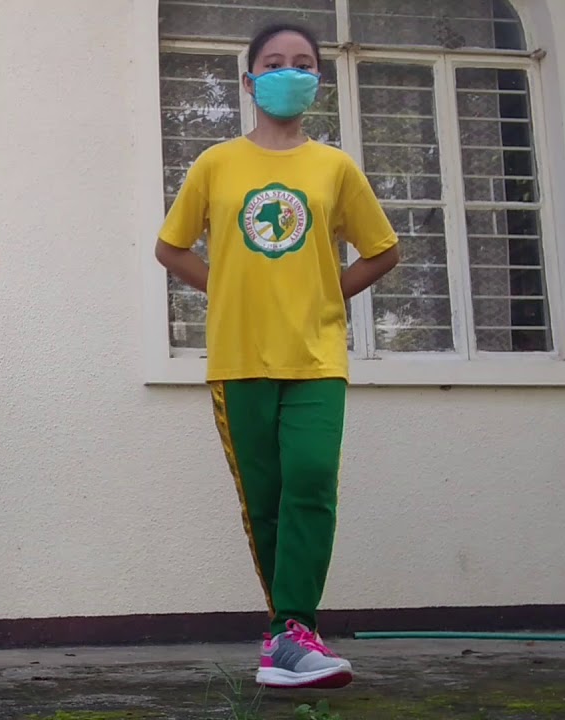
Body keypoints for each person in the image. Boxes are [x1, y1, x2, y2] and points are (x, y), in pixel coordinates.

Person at [154, 23, 400, 690]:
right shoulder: (216, 164)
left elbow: (383, 249)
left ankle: (293, 628)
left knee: (312, 481)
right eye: (272, 63)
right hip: (239, 358)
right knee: (264, 500)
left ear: (317, 81)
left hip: (316, 354)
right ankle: (285, 639)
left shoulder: (334, 168)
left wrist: (326, 292)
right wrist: (227, 288)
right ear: (248, 81)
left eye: (302, 64)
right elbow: (171, 246)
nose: (287, 73)